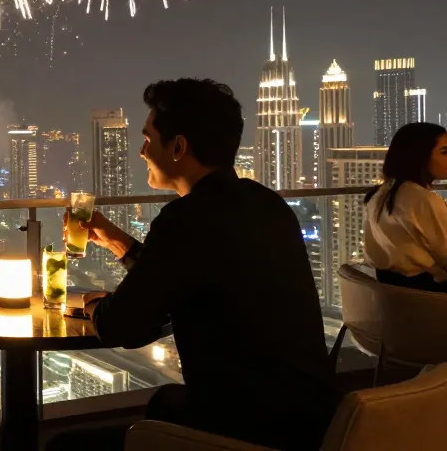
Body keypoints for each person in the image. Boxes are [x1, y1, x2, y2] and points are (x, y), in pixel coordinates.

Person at [62, 79, 336, 451]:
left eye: (147, 138)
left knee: (65, 446)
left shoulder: (185, 219)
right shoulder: (267, 204)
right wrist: (115, 240)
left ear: (178, 146)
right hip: (311, 421)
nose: (142, 151)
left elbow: (119, 327)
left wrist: (91, 304)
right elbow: (191, 271)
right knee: (164, 401)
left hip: (242, 428)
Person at [363, 122, 447, 293]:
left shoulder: (380, 195)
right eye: (444, 152)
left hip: (397, 295)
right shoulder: (421, 199)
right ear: (420, 155)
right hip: (429, 296)